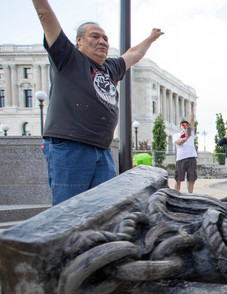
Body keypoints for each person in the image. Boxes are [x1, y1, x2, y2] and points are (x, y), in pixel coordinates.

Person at [32, 0, 164, 205]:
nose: (102, 41)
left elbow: (133, 55)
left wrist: (151, 38)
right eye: (95, 36)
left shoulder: (110, 68)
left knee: (105, 210)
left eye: (105, 38)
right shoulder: (68, 58)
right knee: (69, 212)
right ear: (79, 41)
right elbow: (44, 15)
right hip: (71, 147)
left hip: (102, 151)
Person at [174, 103, 197, 194]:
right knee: (178, 179)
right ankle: (175, 194)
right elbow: (178, 143)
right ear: (180, 126)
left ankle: (190, 195)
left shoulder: (191, 134)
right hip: (181, 159)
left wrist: (192, 107)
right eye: (183, 125)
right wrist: (185, 138)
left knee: (191, 179)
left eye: (186, 125)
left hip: (191, 157)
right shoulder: (176, 135)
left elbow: (192, 119)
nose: (185, 126)